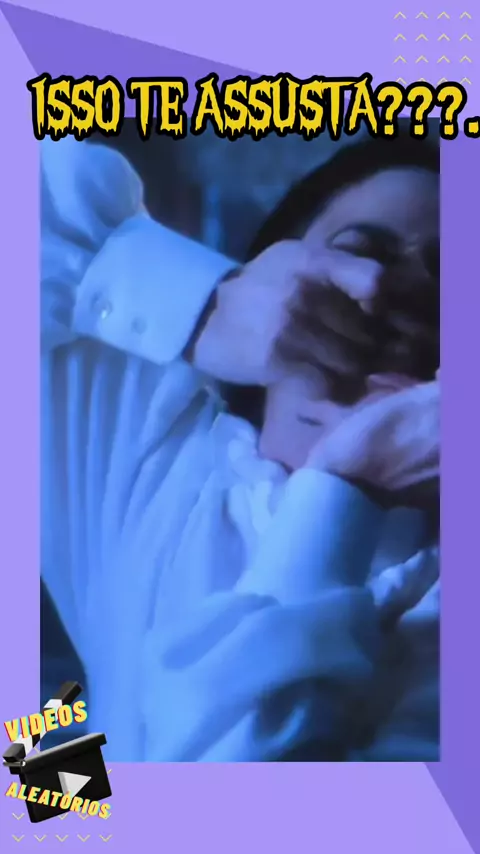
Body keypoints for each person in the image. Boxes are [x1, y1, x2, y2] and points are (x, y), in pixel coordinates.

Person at [41, 132, 439, 762]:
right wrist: (207, 305)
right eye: (359, 251)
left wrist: (345, 490)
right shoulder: (155, 446)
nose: (387, 292)